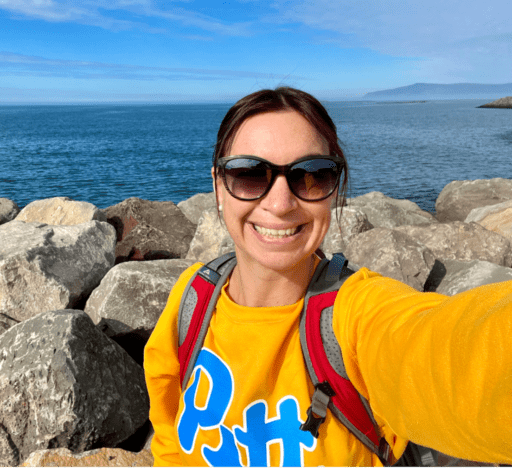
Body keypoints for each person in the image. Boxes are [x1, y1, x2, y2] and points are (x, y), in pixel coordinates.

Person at [144, 87, 512, 467]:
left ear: (335, 191)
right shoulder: (193, 300)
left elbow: (455, 357)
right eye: (250, 174)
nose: (280, 203)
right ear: (219, 187)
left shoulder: (353, 319)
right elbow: (169, 441)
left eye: (311, 176)